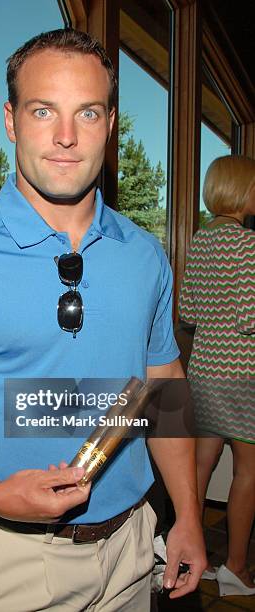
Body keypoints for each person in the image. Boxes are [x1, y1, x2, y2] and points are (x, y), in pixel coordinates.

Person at [0, 29, 206, 611]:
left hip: (132, 546)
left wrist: (189, 515)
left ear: (109, 123)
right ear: (11, 120)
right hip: (12, 562)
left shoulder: (145, 255)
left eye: (88, 112)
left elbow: (163, 381)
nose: (66, 137)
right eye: (43, 110)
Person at [179, 155, 255, 597]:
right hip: (244, 373)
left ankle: (192, 554)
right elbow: (250, 317)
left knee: (200, 465)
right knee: (248, 472)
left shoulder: (200, 243)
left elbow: (187, 312)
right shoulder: (248, 245)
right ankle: (237, 566)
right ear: (241, 191)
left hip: (204, 370)